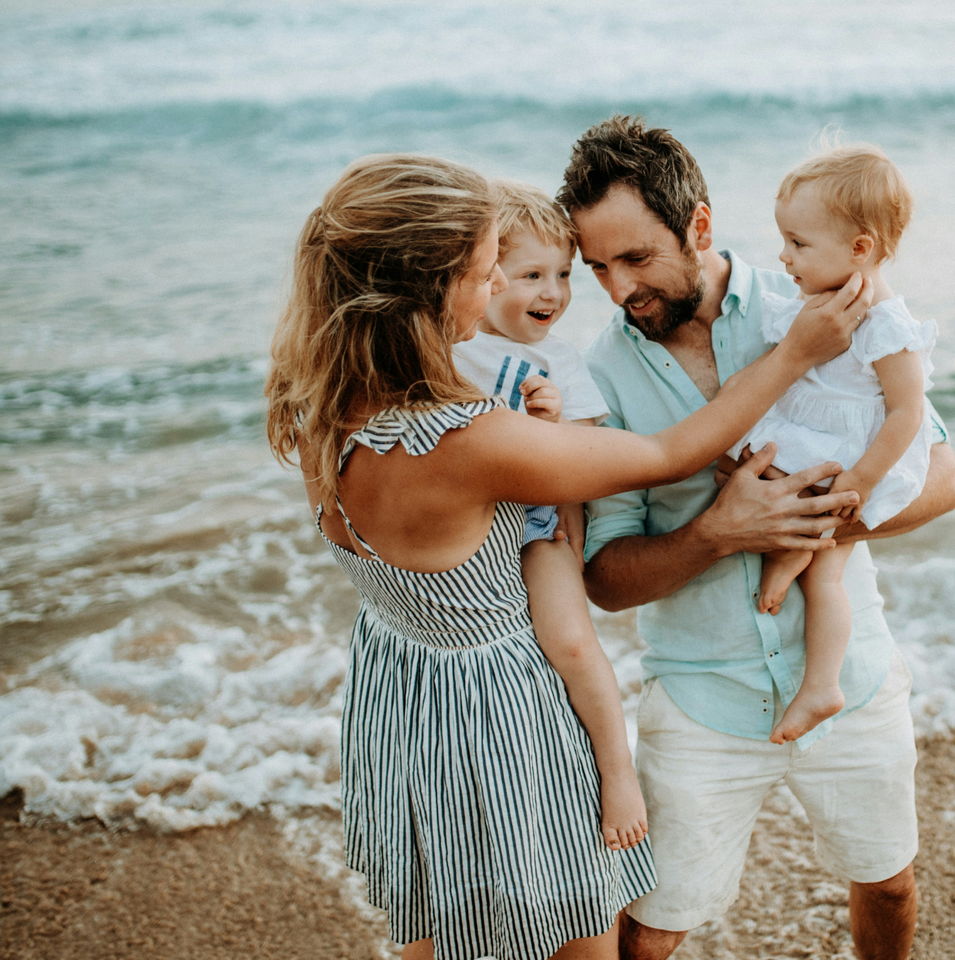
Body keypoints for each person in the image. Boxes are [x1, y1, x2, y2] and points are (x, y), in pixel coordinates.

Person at [263, 153, 875, 960]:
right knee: (579, 933)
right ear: (430, 289)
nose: (493, 295)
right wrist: (794, 356)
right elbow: (665, 453)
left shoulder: (320, 407)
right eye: (484, 275)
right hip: (503, 703)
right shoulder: (469, 439)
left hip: (404, 686)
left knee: (442, 916)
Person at [558, 117, 955, 960]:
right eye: (595, 266)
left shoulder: (813, 300)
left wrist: (813, 520)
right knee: (655, 926)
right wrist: (719, 532)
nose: (616, 288)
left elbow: (942, 475)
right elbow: (605, 578)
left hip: (848, 673)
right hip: (702, 697)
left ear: (698, 227)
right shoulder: (597, 374)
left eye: (635, 258)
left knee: (888, 881)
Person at [453, 178, 647, 851]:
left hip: (538, 530)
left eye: (564, 275)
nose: (554, 293)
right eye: (532, 274)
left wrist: (552, 422)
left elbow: (590, 452)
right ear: (484, 275)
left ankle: (617, 771)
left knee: (567, 640)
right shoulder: (449, 348)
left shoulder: (558, 360)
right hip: (465, 531)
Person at [725, 143, 938, 745]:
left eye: (798, 243)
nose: (783, 256)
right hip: (817, 439)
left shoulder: (888, 322)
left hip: (858, 456)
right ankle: (795, 553)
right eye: (784, 241)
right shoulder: (819, 299)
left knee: (827, 575)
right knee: (749, 464)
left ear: (860, 249)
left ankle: (821, 685)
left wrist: (862, 481)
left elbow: (906, 411)